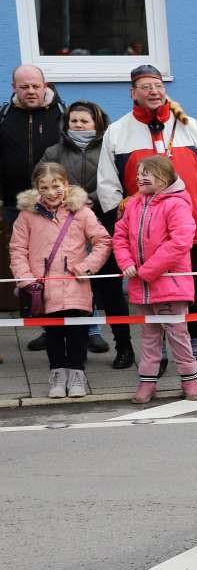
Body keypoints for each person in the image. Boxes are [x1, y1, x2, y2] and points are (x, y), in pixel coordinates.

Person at [97, 64, 197, 383]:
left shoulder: (190, 127)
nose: (153, 90)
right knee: (149, 294)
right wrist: (125, 221)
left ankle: (195, 355)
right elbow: (107, 184)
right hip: (143, 237)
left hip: (187, 234)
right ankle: (161, 356)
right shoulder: (118, 132)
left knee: (190, 292)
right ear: (133, 92)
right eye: (145, 86)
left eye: (157, 84)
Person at [39, 101, 134, 367]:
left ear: (97, 124)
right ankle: (73, 349)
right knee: (72, 287)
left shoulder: (111, 147)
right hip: (64, 228)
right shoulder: (53, 151)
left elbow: (122, 183)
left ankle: (124, 347)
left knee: (111, 290)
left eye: (84, 121)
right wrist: (69, 200)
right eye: (74, 121)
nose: (78, 126)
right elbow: (40, 183)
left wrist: (89, 199)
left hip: (105, 224)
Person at [9, 162, 111, 398]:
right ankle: (57, 372)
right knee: (53, 334)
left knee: (77, 333)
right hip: (42, 286)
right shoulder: (27, 215)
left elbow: (103, 241)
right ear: (36, 188)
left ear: (66, 184)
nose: (51, 192)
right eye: (43, 187)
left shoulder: (81, 212)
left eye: (56, 186)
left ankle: (76, 372)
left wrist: (87, 267)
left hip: (76, 283)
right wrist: (27, 280)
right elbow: (17, 249)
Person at [113, 156, 197, 403]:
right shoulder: (133, 205)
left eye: (147, 173)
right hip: (143, 286)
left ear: (164, 178)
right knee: (149, 336)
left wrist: (147, 270)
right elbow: (119, 236)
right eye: (139, 173)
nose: (139, 177)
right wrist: (127, 263)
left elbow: (180, 242)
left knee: (178, 336)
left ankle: (190, 380)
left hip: (169, 285)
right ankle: (147, 383)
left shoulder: (177, 204)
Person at [1, 65, 64, 346]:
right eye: (24, 86)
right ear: (14, 87)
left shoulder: (62, 114)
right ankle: (48, 329)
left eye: (35, 86)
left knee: (69, 264)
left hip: (56, 205)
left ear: (44, 85)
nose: (30, 91)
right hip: (15, 205)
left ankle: (90, 329)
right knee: (36, 268)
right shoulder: (3, 116)